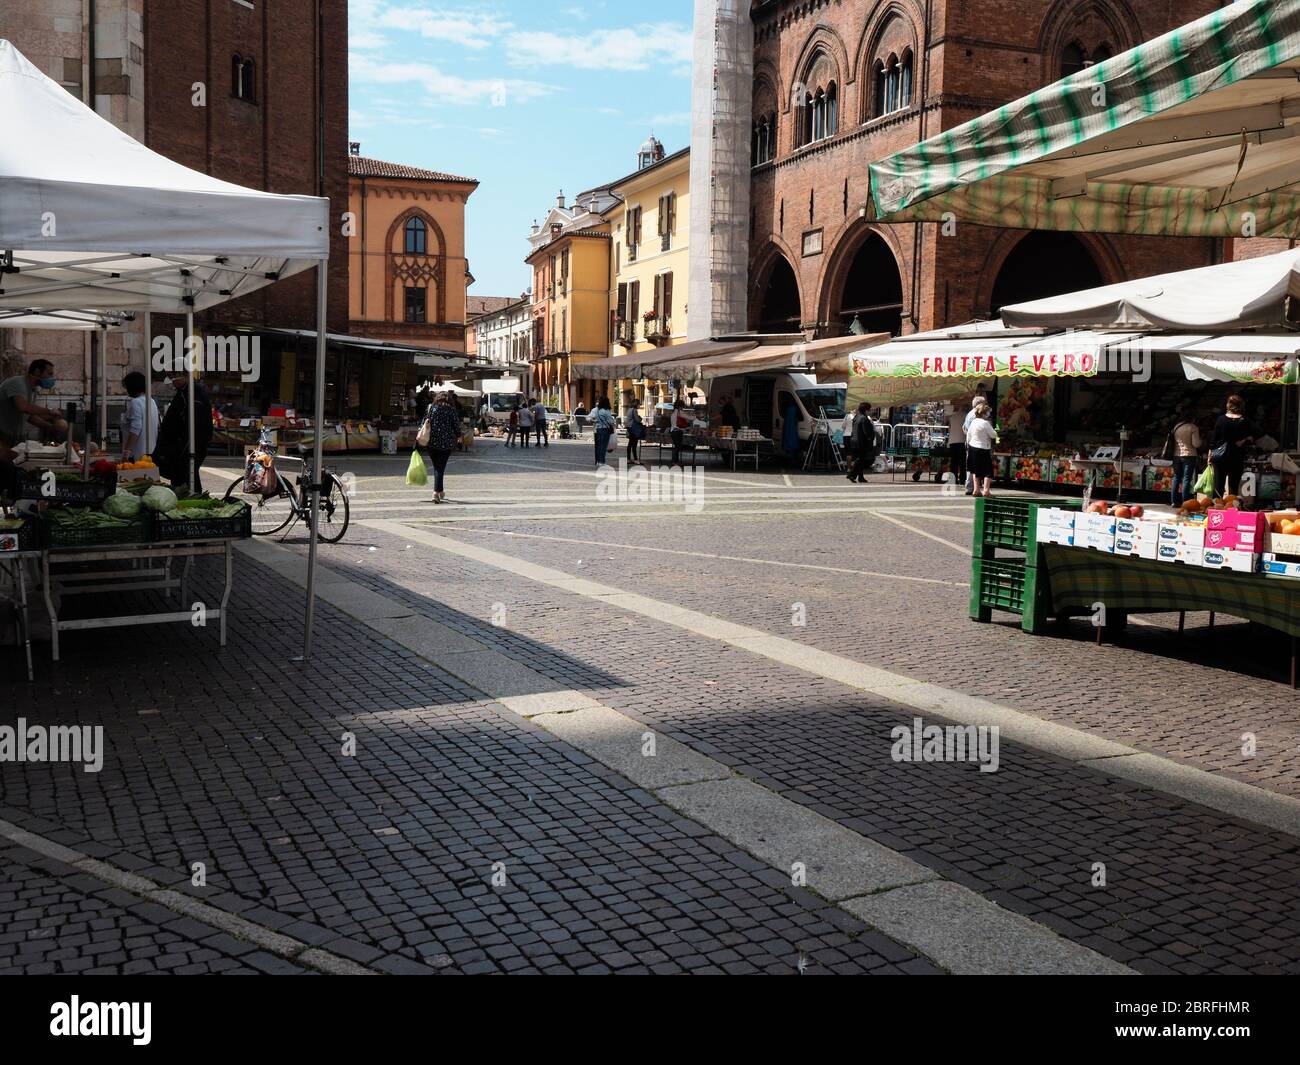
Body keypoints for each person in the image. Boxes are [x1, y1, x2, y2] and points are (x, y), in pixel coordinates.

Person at [155, 371, 213, 492]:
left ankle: (194, 500)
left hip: (187, 446)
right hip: (181, 446)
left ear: (182, 375)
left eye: (172, 377)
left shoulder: (192, 393)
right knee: (182, 476)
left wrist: (184, 446)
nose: (171, 381)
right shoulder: (184, 392)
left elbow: (196, 424)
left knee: (187, 476)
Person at [0, 359, 68, 448]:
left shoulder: (32, 390)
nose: (51, 378)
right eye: (49, 374)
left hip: (14, 438)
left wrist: (50, 427)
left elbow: (28, 416)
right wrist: (50, 411)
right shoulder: (18, 383)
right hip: (2, 436)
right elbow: (23, 407)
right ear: (37, 371)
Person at [1210, 394, 1257, 499]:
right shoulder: (1245, 421)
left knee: (1218, 484)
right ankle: (1231, 508)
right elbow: (1254, 435)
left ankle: (1216, 508)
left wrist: (1210, 454)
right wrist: (1245, 440)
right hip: (1236, 456)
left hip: (1220, 456)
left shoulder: (1221, 419)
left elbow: (1214, 439)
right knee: (1233, 485)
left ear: (1228, 405)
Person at [421, 391, 463, 504]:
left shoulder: (431, 408)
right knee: (440, 468)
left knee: (437, 468)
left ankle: (440, 490)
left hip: (431, 443)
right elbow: (456, 425)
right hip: (446, 443)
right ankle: (436, 492)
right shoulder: (451, 410)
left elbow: (424, 422)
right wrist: (459, 436)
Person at [119, 371, 160, 463]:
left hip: (136, 454)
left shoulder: (136, 402)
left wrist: (126, 453)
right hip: (150, 451)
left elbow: (135, 429)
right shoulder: (151, 401)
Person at [1168, 405, 1203, 506]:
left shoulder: (1176, 427)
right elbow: (1196, 444)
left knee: (1176, 477)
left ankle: (1174, 501)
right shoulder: (1193, 427)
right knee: (1186, 478)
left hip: (1176, 455)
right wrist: (1201, 442)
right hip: (1189, 455)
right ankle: (1185, 502)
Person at [966, 401, 998, 498]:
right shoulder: (985, 423)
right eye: (987, 412)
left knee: (976, 470)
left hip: (972, 447)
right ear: (984, 412)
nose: (988, 414)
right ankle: (986, 490)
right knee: (987, 470)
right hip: (983, 448)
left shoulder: (974, 422)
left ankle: (976, 490)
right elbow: (994, 435)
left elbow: (969, 435)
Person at [962, 393, 987, 496]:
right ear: (979, 404)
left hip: (970, 442)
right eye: (983, 404)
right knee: (975, 466)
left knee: (971, 465)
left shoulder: (969, 414)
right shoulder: (975, 415)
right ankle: (972, 487)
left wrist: (968, 435)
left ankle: (970, 487)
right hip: (975, 443)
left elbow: (963, 427)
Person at [847, 404, 876, 484]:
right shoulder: (864, 418)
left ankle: (860, 477)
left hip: (854, 441)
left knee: (860, 459)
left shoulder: (856, 417)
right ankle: (851, 474)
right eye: (869, 410)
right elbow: (866, 432)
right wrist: (870, 438)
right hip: (862, 442)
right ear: (866, 410)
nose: (870, 411)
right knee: (860, 459)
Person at [947, 399, 968, 489]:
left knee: (953, 462)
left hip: (952, 441)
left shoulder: (952, 417)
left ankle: (953, 480)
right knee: (962, 462)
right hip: (961, 441)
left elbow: (949, 429)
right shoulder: (966, 416)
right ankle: (962, 479)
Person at [593, 396, 616, 467]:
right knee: (603, 446)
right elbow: (610, 421)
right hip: (605, 429)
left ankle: (598, 461)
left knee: (599, 446)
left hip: (598, 429)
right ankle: (602, 462)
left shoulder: (598, 411)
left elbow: (595, 419)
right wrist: (613, 422)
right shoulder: (606, 411)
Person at [670, 398, 690, 469]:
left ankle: (675, 462)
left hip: (673, 431)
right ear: (680, 406)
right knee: (677, 447)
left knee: (676, 447)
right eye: (682, 406)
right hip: (677, 431)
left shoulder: (673, 412)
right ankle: (674, 462)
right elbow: (689, 417)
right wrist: (696, 417)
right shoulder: (679, 412)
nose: (683, 407)